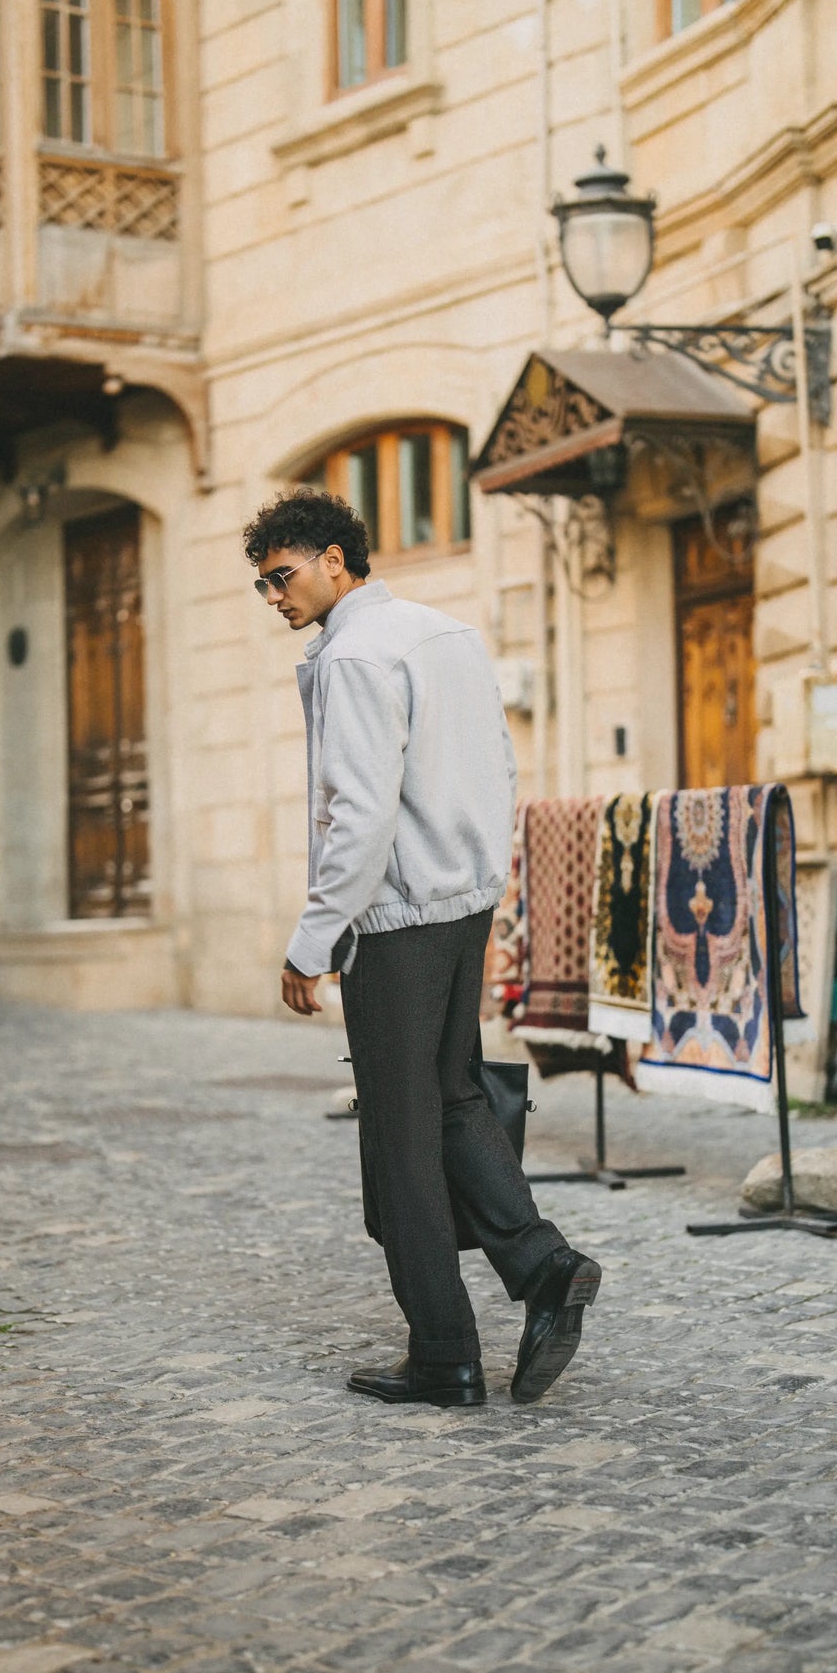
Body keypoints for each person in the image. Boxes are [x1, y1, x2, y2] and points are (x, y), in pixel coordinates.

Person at [245, 487, 602, 1408]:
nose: (274, 596)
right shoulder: (446, 634)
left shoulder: (353, 655)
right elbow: (501, 767)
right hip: (461, 904)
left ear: (334, 560)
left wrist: (312, 940)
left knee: (400, 1136)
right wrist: (482, 878)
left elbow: (359, 814)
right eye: (262, 584)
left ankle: (444, 1351)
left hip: (398, 918)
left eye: (281, 576)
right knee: (451, 1099)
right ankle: (545, 1267)